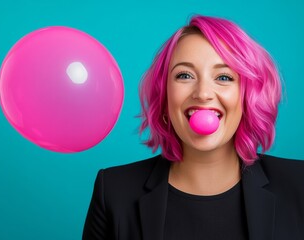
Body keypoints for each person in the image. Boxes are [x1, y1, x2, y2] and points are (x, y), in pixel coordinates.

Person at [82, 15, 304, 240]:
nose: (203, 93)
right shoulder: (113, 191)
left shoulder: (299, 184)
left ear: (247, 96)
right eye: (184, 75)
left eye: (224, 77)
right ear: (165, 95)